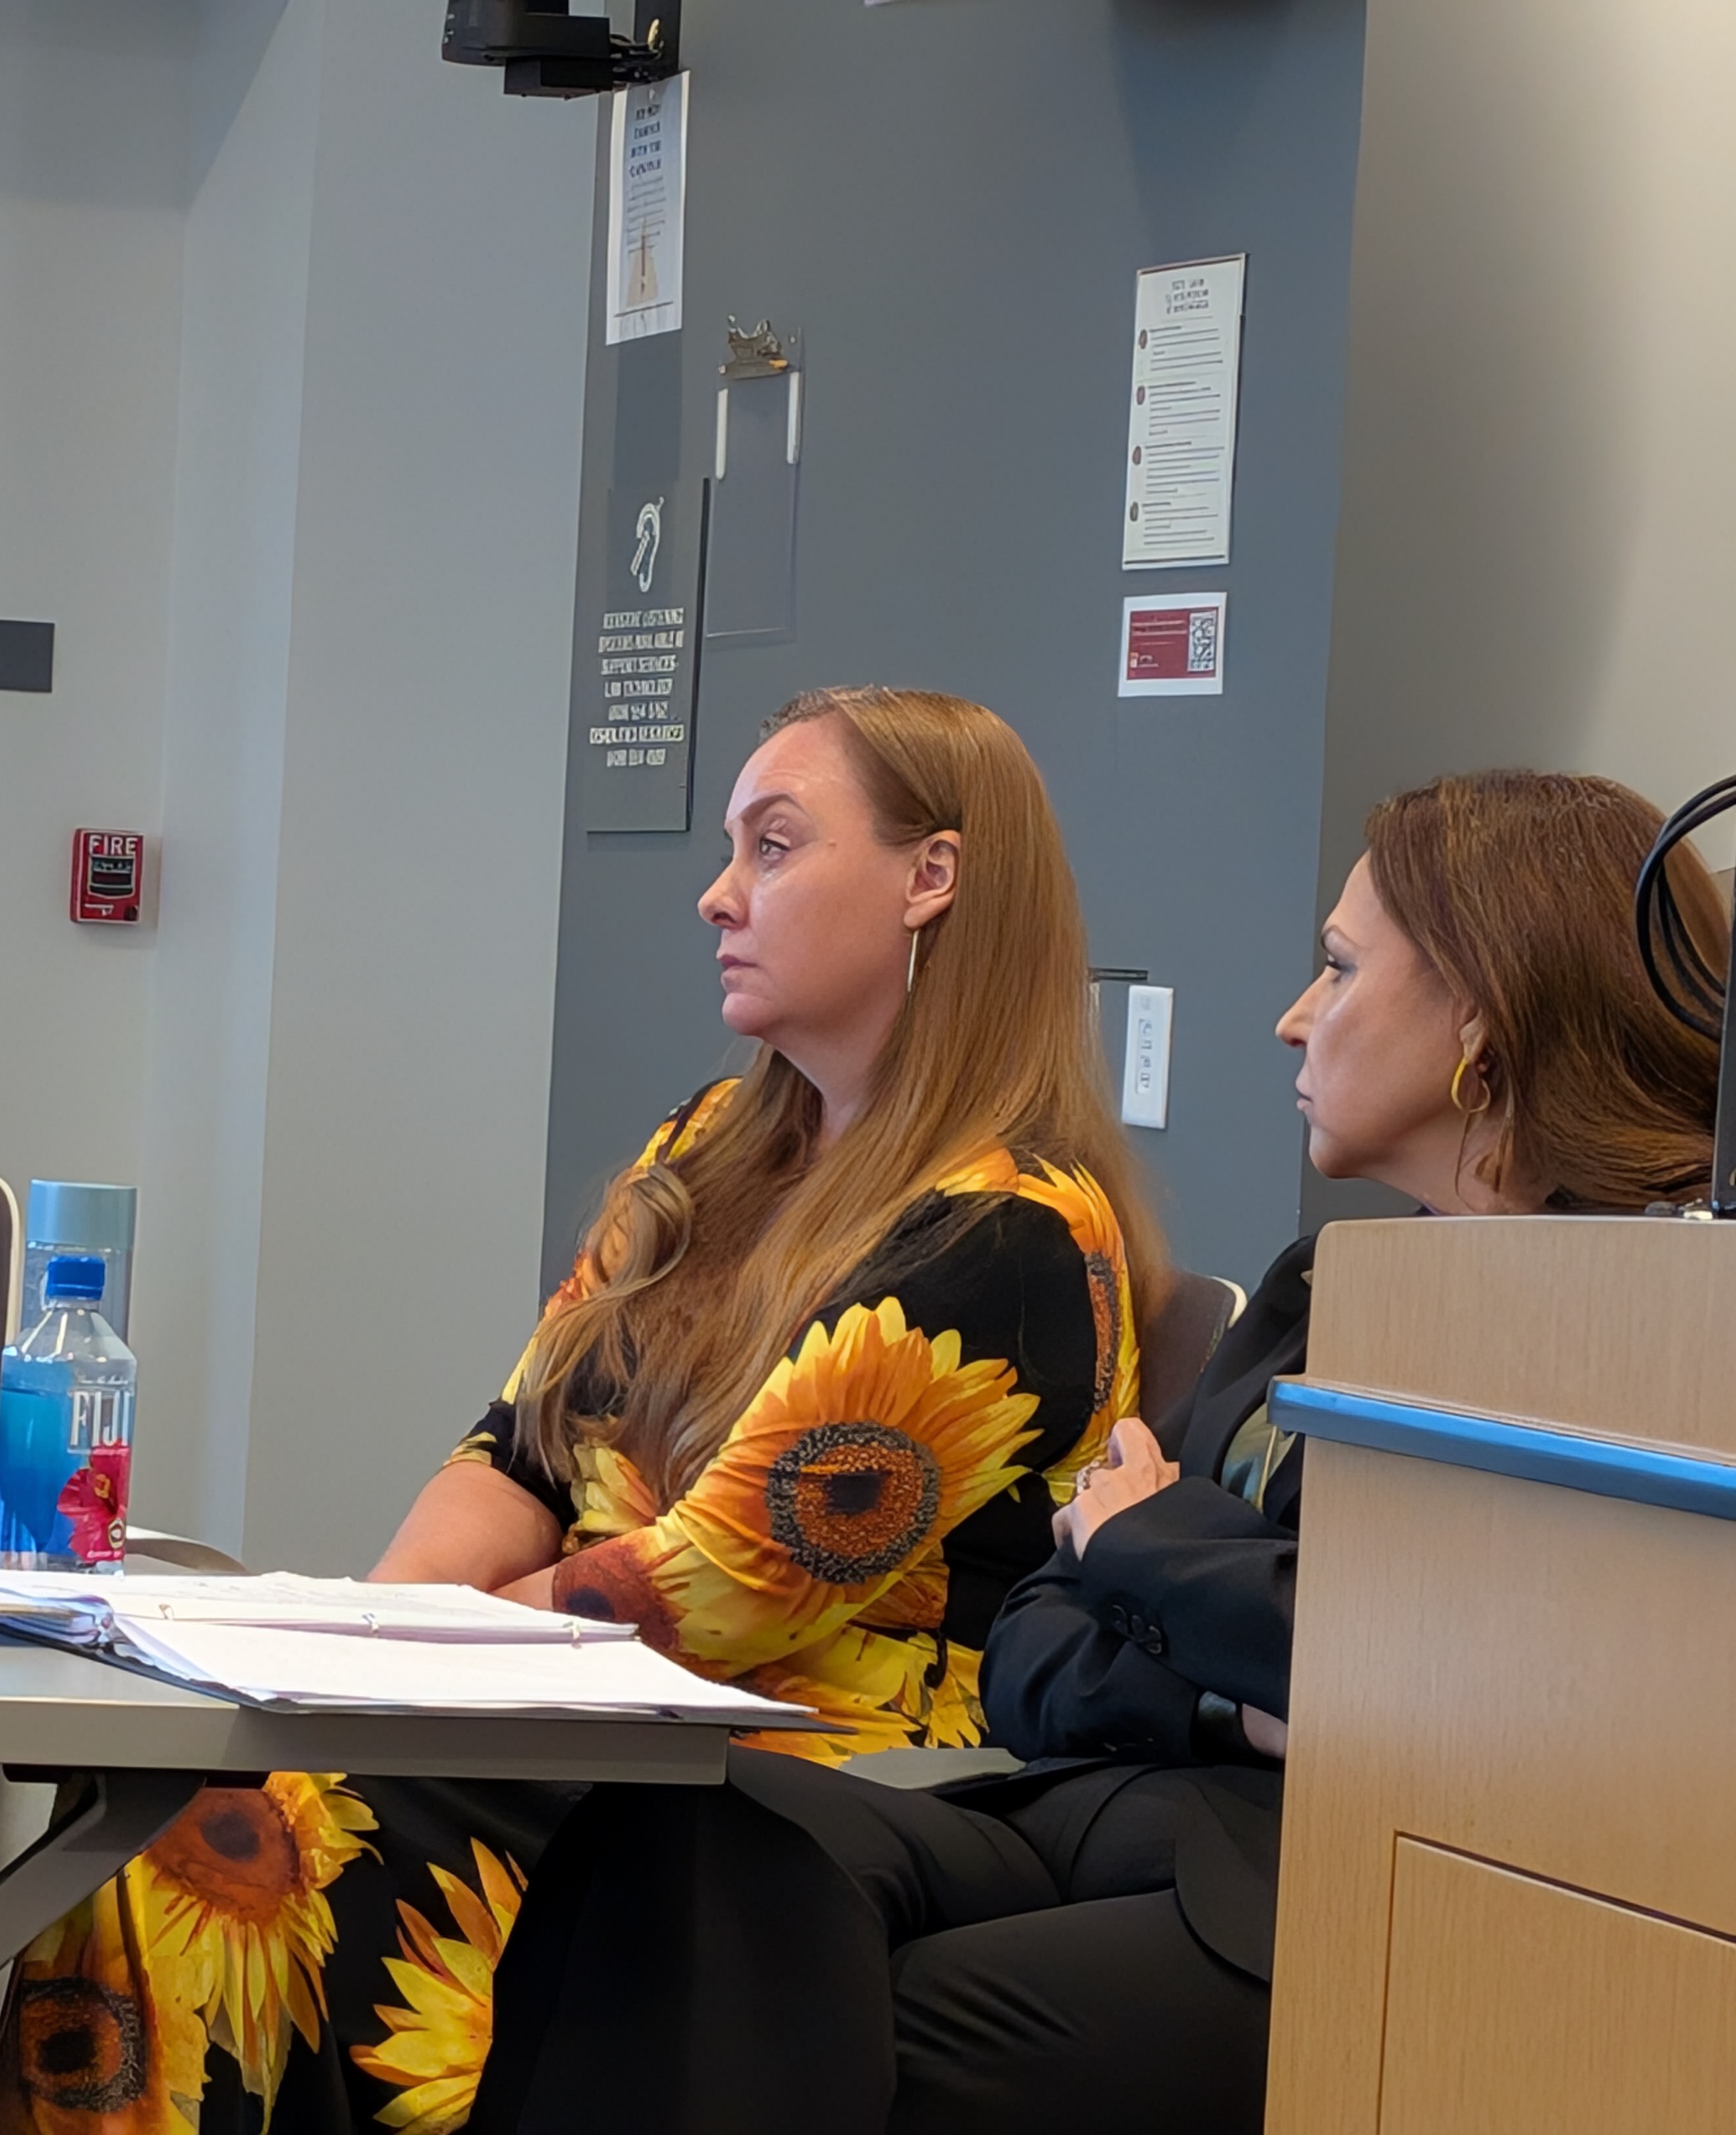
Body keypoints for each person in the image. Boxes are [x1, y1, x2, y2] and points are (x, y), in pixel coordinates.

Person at [0, 687, 1162, 2135]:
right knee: (210, 1816)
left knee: (236, 1862)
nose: (718, 894)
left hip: (792, 1770)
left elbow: (713, 1586)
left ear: (931, 878)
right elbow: (522, 1442)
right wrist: (358, 1641)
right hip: (572, 1702)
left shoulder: (1009, 1233)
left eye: (773, 848)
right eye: (730, 848)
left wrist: (412, 1670)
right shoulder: (706, 1151)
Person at [467, 769, 1725, 2135]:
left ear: (1481, 1017)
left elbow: (1444, 1671)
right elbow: (1042, 1637)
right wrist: (1229, 1666)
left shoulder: (1651, 1323)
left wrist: (1156, 1549)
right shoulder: (1324, 1286)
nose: (1294, 1016)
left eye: (1338, 969)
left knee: (879, 2029)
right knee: (695, 1846)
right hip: (1111, 1800)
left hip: (1336, 1876)